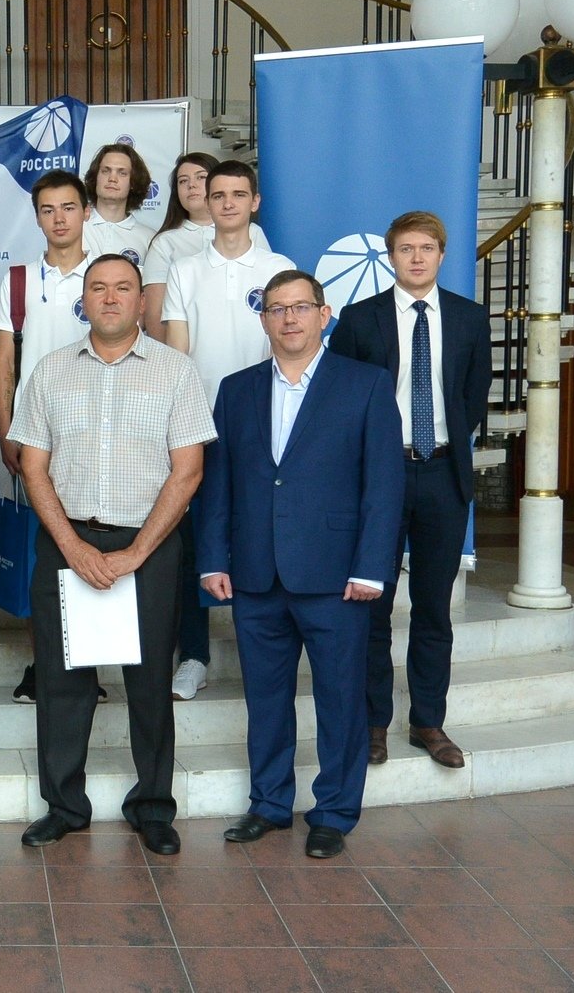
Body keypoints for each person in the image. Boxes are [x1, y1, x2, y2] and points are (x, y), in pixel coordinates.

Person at [7, 253, 215, 856]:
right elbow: (32, 467)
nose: (110, 297)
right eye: (98, 288)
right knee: (62, 680)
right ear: (84, 301)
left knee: (149, 681)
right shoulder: (49, 370)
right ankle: (64, 806)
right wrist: (73, 547)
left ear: (141, 301)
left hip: (149, 543)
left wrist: (136, 553)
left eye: (123, 287)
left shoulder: (176, 372)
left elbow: (188, 471)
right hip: (66, 540)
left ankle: (152, 806)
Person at [199, 270, 404, 859]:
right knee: (265, 699)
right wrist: (212, 557)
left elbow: (383, 485)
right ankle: (268, 803)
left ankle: (334, 812)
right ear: (263, 319)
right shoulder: (235, 390)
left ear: (324, 314)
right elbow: (219, 484)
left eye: (300, 307)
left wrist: (371, 567)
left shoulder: (365, 384)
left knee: (341, 699)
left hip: (337, 577)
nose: (289, 318)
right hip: (256, 573)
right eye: (276, 309)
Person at [329, 211, 492, 769]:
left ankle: (427, 721)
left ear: (442, 254)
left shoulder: (469, 317)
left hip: (443, 475)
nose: (417, 258)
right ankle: (374, 721)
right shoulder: (359, 319)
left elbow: (473, 396)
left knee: (433, 609)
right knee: (371, 606)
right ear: (391, 256)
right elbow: (342, 398)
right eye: (406, 249)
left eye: (427, 248)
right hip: (380, 476)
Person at [161, 160, 294, 702]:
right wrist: (183, 427)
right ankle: (193, 655)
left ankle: (264, 650)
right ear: (206, 202)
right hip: (199, 427)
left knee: (263, 537)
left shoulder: (279, 267)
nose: (228, 203)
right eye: (218, 195)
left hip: (267, 425)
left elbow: (290, 347)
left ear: (255, 202)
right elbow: (177, 356)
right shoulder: (185, 269)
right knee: (193, 543)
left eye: (239, 194)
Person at [0, 170, 106, 707]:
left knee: (92, 548)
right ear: (36, 217)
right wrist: (6, 429)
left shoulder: (106, 277)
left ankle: (87, 667)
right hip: (35, 437)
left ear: (86, 212)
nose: (59, 219)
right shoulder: (17, 281)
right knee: (41, 556)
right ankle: (42, 665)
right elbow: (4, 362)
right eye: (47, 209)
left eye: (68, 207)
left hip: (98, 439)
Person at [142, 152, 270, 342]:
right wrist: (170, 356)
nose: (191, 185)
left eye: (200, 177)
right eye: (183, 181)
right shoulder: (164, 242)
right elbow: (155, 316)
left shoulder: (254, 232)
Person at [80, 143, 156, 266]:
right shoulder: (74, 226)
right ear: (95, 177)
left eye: (122, 173)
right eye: (105, 171)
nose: (112, 179)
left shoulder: (150, 239)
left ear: (133, 182)